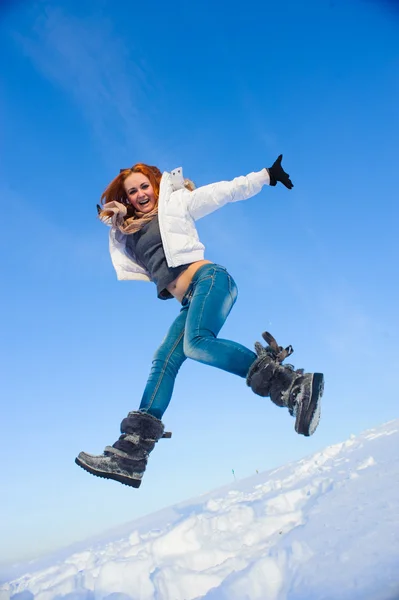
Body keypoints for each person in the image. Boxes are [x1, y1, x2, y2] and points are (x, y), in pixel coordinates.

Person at [75, 155, 324, 488]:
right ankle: (131, 454)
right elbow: (125, 242)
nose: (139, 194)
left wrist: (265, 175)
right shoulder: (128, 229)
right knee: (163, 360)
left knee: (195, 344)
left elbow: (224, 192)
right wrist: (117, 220)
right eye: (131, 191)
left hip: (209, 280)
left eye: (144, 186)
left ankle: (291, 384)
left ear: (156, 185)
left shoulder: (177, 204)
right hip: (191, 300)